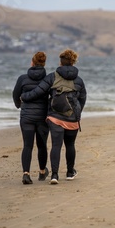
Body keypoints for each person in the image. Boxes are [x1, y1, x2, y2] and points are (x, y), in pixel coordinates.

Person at [21, 49, 87, 184]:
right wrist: (76, 113)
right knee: (70, 145)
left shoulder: (52, 76)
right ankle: (69, 172)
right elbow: (82, 99)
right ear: (73, 62)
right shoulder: (79, 80)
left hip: (55, 117)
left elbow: (38, 91)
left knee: (56, 145)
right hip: (72, 118)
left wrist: (24, 97)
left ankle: (54, 176)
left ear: (60, 62)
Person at [12, 51, 50, 185]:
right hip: (42, 117)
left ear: (32, 63)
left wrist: (19, 106)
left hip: (26, 117)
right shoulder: (48, 80)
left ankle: (26, 174)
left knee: (27, 146)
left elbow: (15, 95)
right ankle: (41, 172)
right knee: (42, 146)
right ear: (44, 63)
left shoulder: (22, 78)